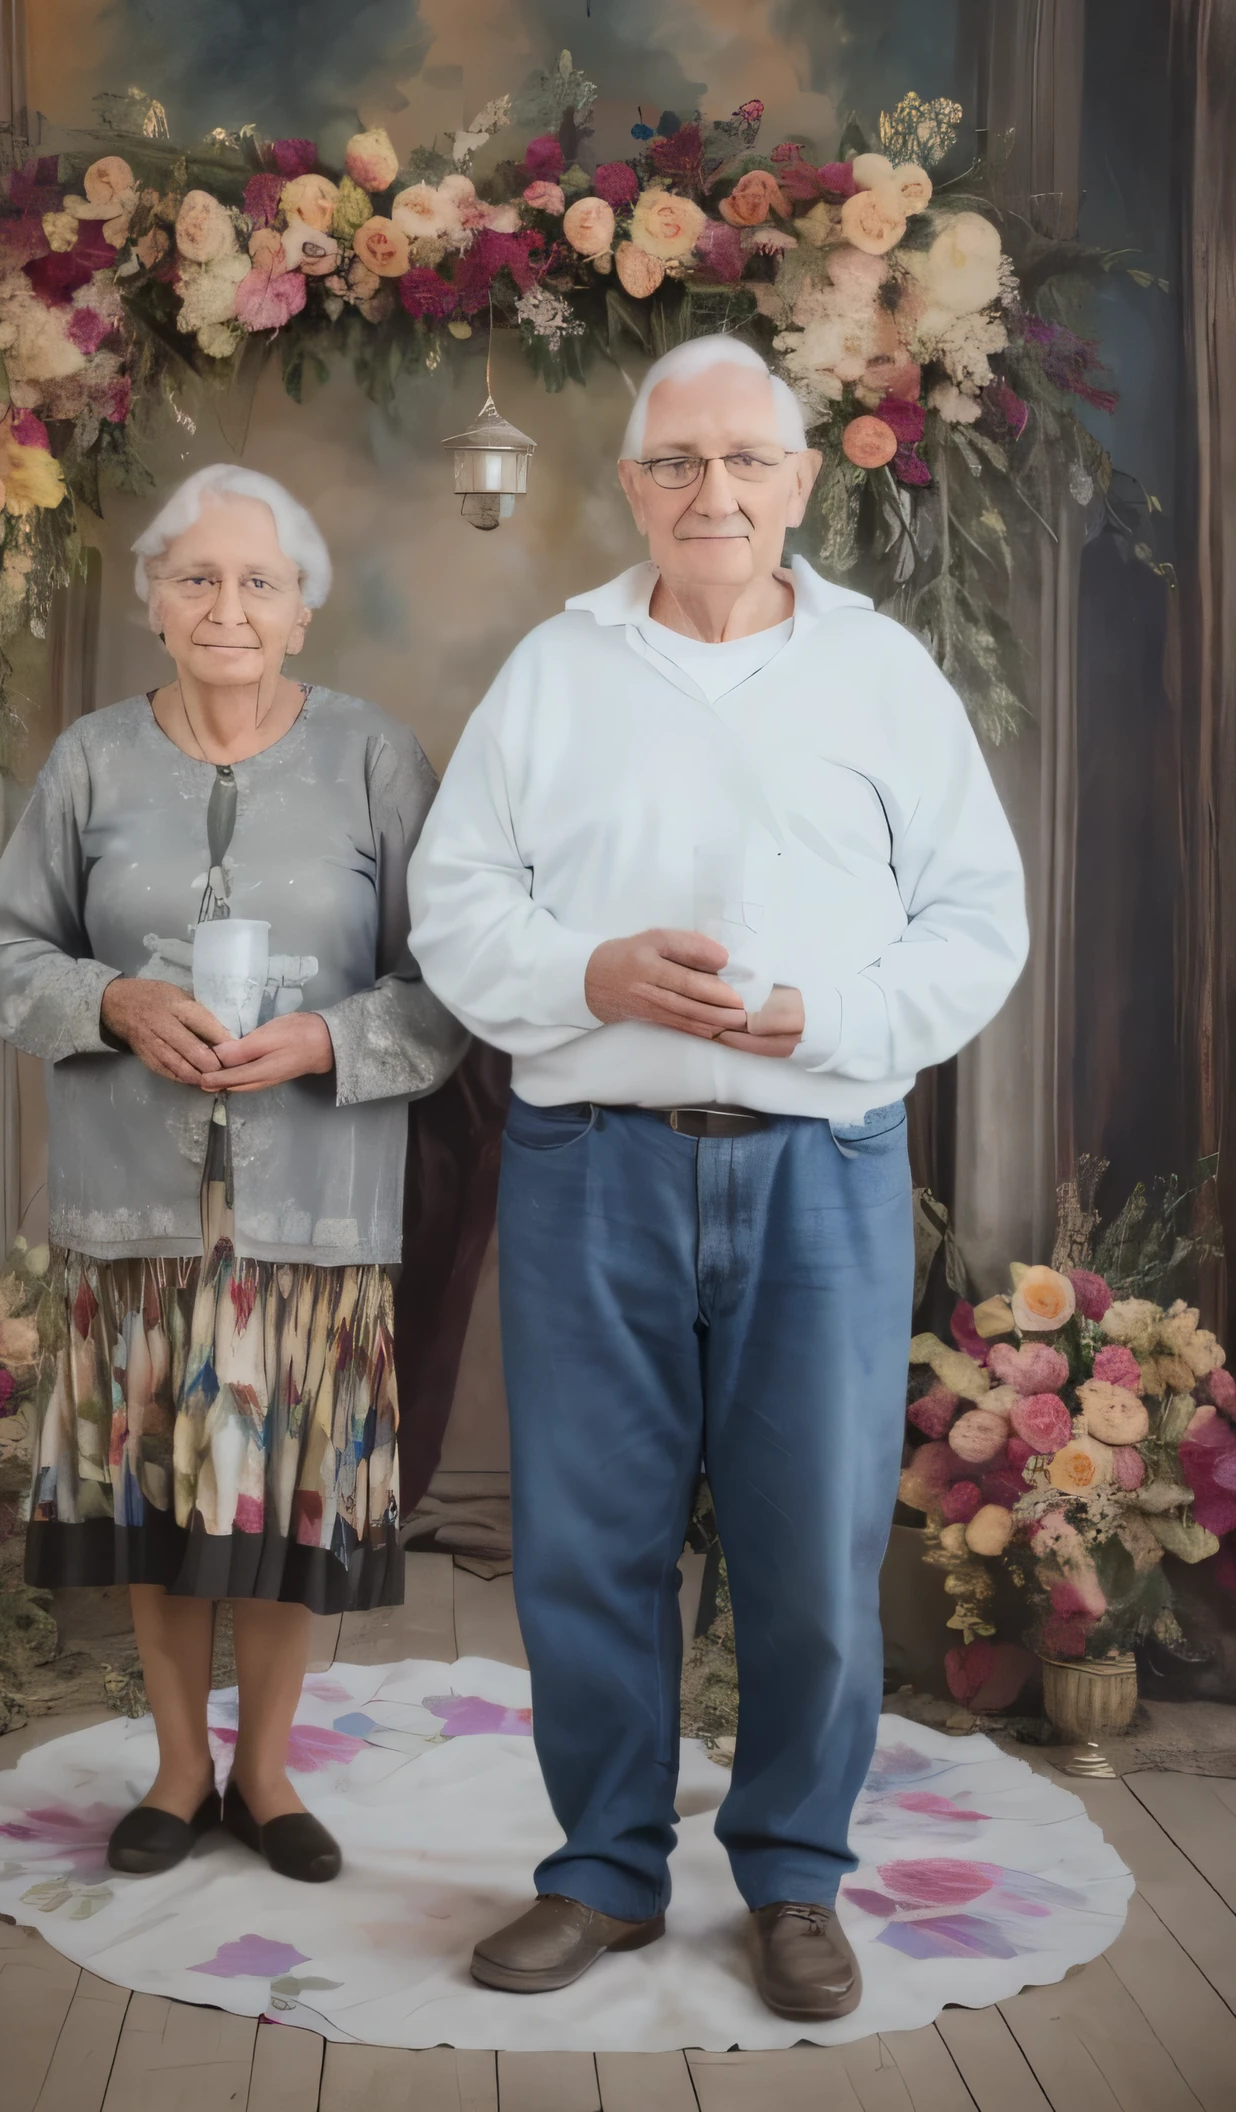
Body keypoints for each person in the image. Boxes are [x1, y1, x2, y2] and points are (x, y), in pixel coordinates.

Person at [407, 336, 1028, 2020]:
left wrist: (830, 1017)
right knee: (587, 1545)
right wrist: (589, 978)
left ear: (801, 483)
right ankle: (604, 1874)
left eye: (747, 462)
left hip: (823, 1163)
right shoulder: (554, 668)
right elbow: (456, 910)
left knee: (813, 1547)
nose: (714, 493)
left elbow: (980, 925)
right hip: (589, 1163)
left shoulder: (887, 676)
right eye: (677, 465)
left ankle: (795, 1880)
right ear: (631, 488)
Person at [0, 464, 466, 1883]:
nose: (228, 607)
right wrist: (117, 1004)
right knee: (160, 1496)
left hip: (319, 1206)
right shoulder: (89, 761)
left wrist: (329, 1035)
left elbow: (451, 986)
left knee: (293, 1497)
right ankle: (181, 1770)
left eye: (259, 582)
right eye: (197, 578)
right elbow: (4, 953)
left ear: (301, 613)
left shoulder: (378, 758)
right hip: (134, 1210)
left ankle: (267, 1770)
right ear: (154, 606)